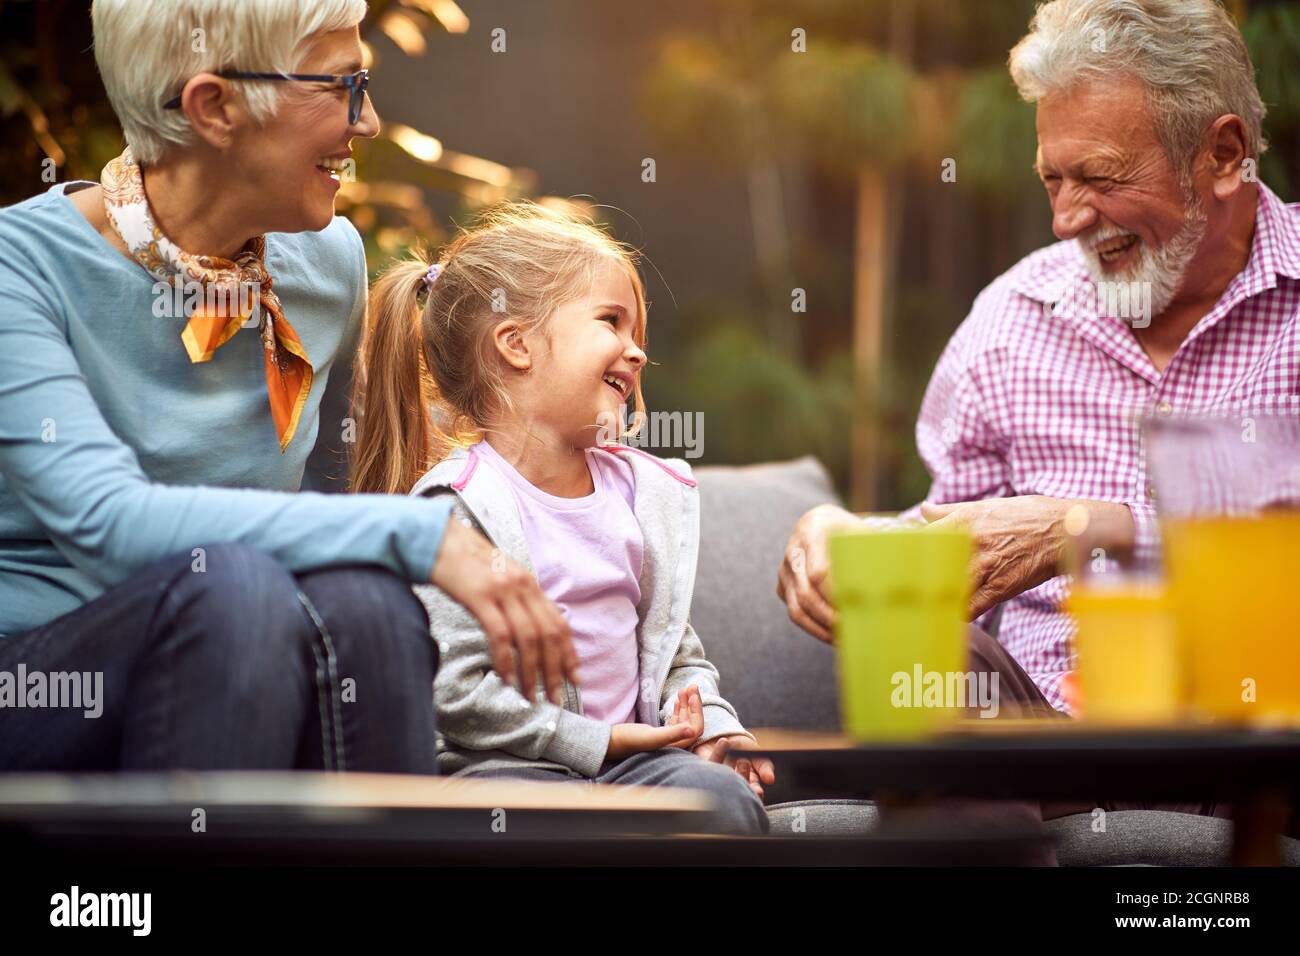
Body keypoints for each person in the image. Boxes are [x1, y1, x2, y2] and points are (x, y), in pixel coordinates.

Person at [0, 0, 575, 773]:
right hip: (38, 689)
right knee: (232, 584)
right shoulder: (19, 271)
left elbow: (340, 502)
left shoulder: (325, 258)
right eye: (343, 86)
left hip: (240, 662)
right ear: (215, 107)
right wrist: (420, 539)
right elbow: (107, 524)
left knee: (367, 603)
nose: (366, 122)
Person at [353, 203, 773, 834]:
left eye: (639, 336)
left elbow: (676, 656)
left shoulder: (642, 497)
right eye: (612, 322)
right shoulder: (459, 506)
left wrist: (716, 727)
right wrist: (596, 739)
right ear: (516, 344)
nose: (636, 352)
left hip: (634, 765)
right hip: (504, 766)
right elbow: (455, 692)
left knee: (721, 804)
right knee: (527, 825)